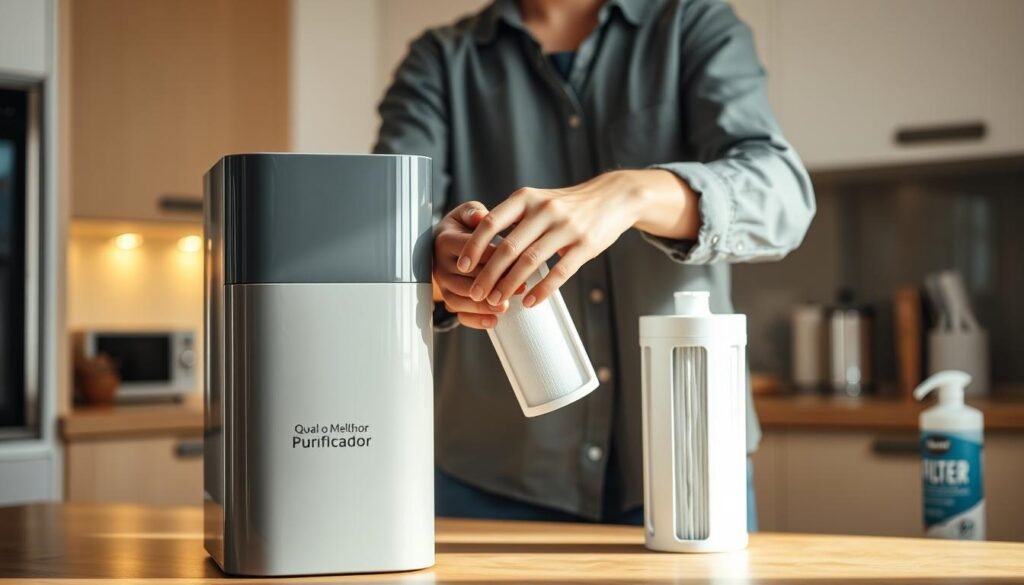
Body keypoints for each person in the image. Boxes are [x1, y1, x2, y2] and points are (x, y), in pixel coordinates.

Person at [374, 0, 815, 528]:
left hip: (690, 462)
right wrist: (435, 266)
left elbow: (783, 196)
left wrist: (631, 192)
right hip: (491, 473)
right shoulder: (441, 59)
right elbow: (389, 227)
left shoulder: (692, 23)